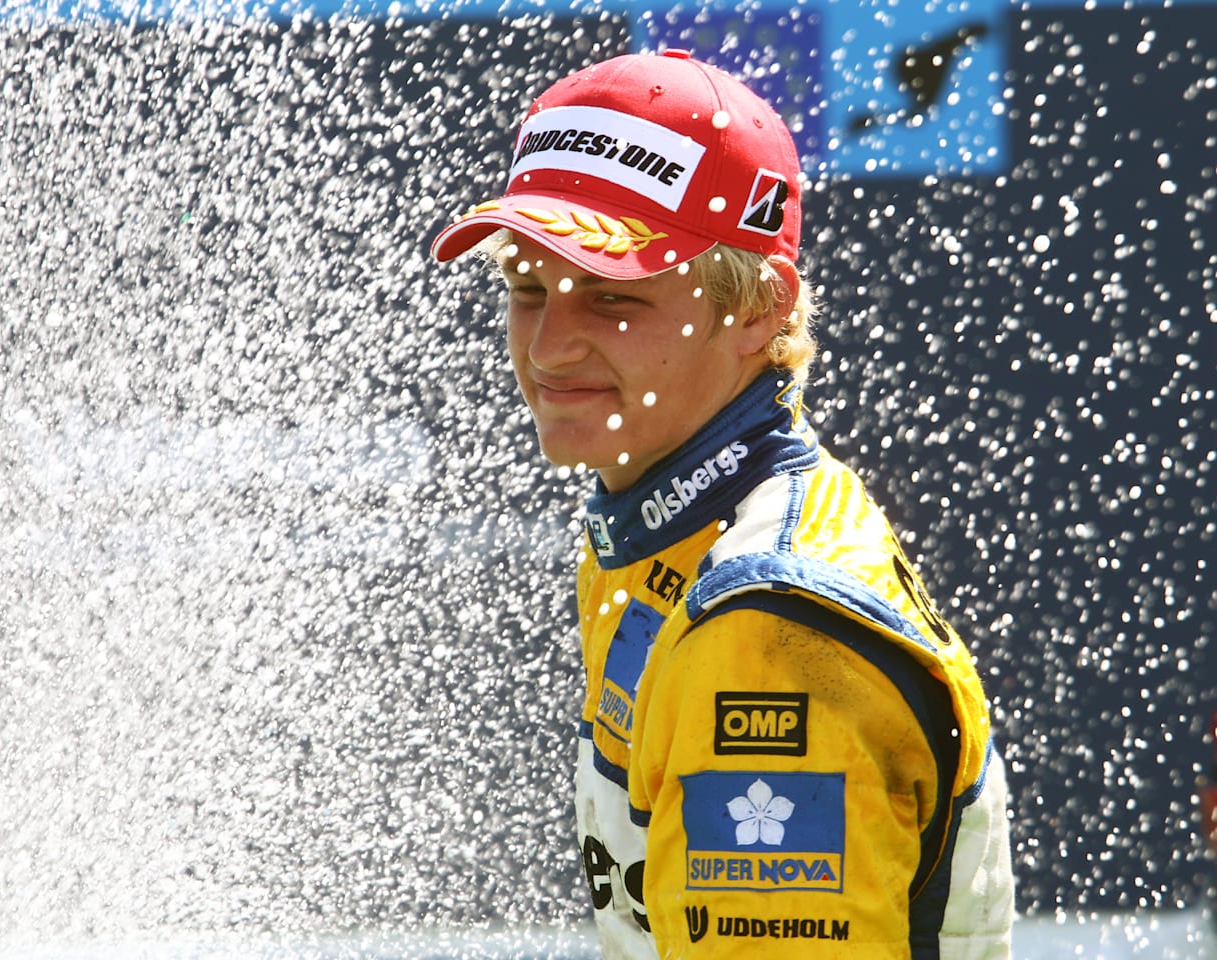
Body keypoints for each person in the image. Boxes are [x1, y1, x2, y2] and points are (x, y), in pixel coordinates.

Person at [430, 50, 1014, 958]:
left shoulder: (760, 626)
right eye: (527, 287)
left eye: (614, 296)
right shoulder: (674, 515)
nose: (547, 347)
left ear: (757, 310)